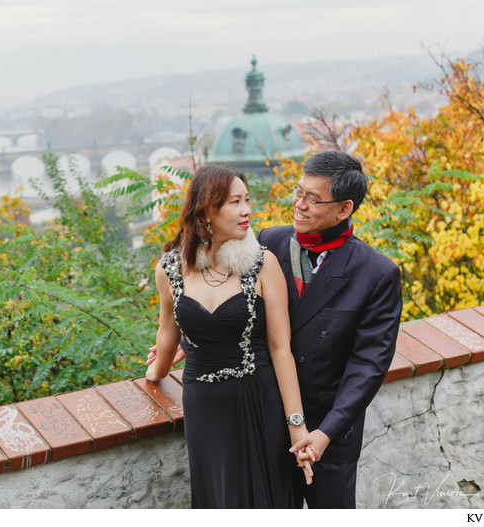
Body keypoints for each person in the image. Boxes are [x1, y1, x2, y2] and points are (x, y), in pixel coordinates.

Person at [145, 164, 315, 508]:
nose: (247, 210)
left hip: (258, 399)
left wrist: (297, 427)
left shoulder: (262, 264)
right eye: (235, 202)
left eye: (247, 199)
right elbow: (167, 332)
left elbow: (281, 348)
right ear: (207, 210)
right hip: (203, 407)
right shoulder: (170, 268)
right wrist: (155, 373)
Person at [256, 150, 402, 508]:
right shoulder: (268, 243)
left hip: (330, 434)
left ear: (344, 208)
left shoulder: (377, 274)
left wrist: (325, 433)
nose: (299, 205)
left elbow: (367, 367)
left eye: (313, 199)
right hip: (269, 418)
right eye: (298, 192)